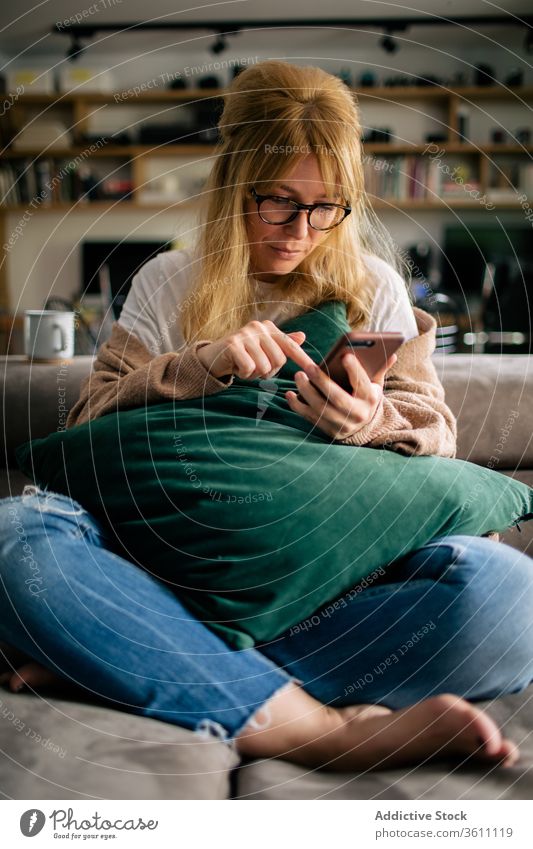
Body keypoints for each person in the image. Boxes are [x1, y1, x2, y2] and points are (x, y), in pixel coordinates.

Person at [1, 60, 532, 773]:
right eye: (276, 202)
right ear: (231, 185)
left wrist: (368, 422)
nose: (300, 229)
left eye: (325, 207)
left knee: (510, 596)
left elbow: (434, 429)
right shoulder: (165, 282)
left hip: (335, 590)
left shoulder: (372, 285)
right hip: (161, 570)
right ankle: (306, 723)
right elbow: (91, 417)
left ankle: (137, 659)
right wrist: (201, 364)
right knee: (16, 537)